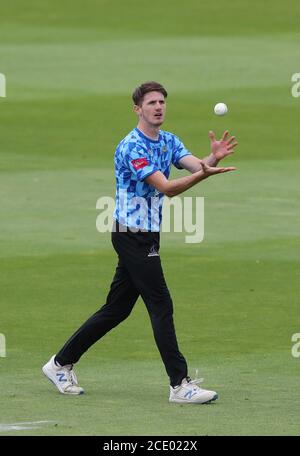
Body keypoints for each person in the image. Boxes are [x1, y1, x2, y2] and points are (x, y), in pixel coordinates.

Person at [42, 81, 238, 403]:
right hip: (130, 235)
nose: (158, 107)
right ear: (138, 109)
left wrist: (210, 160)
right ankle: (179, 384)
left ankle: (60, 364)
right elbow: (167, 188)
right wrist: (205, 173)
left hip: (146, 234)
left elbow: (193, 165)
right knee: (161, 304)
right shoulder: (131, 146)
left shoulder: (168, 141)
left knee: (116, 309)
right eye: (151, 103)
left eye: (162, 102)